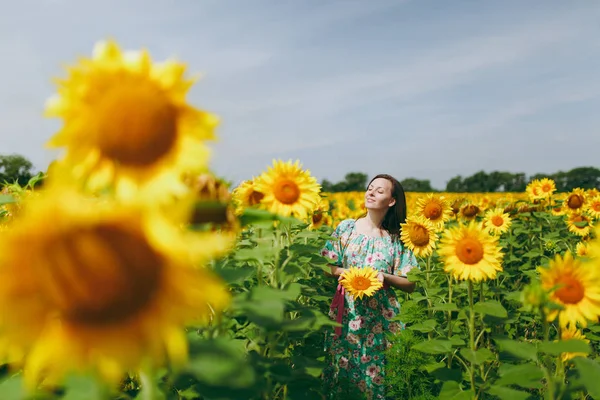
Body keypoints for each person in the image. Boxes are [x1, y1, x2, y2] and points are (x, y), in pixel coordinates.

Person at [321, 174, 419, 400]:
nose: (371, 192)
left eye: (380, 190)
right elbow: (326, 265)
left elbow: (410, 283)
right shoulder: (346, 228)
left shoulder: (395, 239)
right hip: (348, 313)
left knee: (380, 376)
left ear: (392, 201)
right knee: (342, 370)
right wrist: (349, 274)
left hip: (382, 318)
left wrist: (383, 276)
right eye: (370, 188)